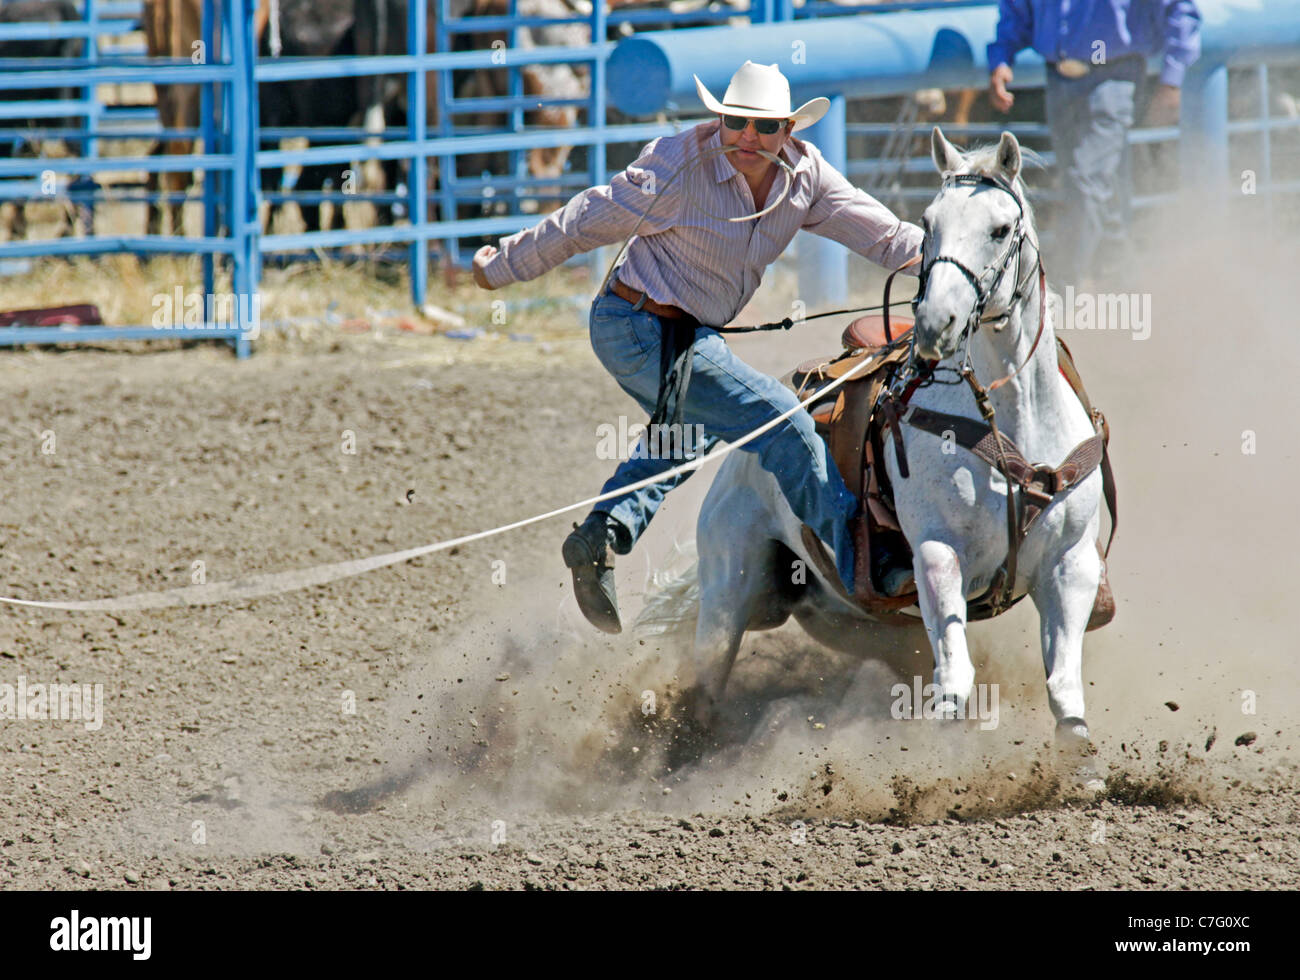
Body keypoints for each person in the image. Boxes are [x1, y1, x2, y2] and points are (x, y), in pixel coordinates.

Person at [472, 61, 922, 633]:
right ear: (720, 119)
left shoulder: (806, 178)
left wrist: (958, 260)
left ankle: (602, 535)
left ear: (790, 130)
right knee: (780, 420)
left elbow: (884, 236)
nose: (747, 138)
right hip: (633, 324)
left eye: (764, 127)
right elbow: (586, 218)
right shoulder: (678, 164)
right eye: (736, 122)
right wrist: (502, 266)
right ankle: (864, 559)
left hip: (687, 335)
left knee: (695, 431)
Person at [987, 0, 1201, 287]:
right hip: (1057, 78)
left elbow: (1179, 8)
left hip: (1114, 75)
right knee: (1102, 194)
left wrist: (1172, 80)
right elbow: (1018, 8)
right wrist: (1002, 56)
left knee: (1086, 185)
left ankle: (1060, 290)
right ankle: (1126, 292)